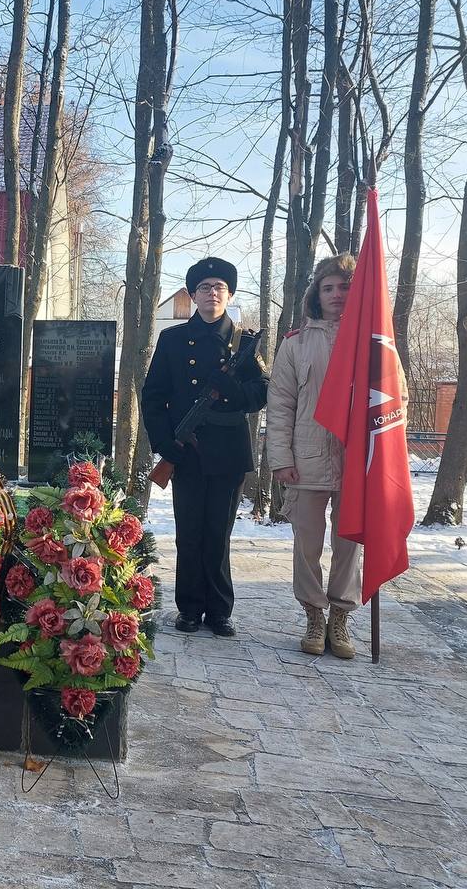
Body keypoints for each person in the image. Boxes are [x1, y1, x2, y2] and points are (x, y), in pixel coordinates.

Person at [141, 257, 269, 637]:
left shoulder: (244, 343)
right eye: (204, 287)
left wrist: (235, 391)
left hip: (228, 451)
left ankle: (218, 610)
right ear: (193, 295)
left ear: (229, 295)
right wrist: (166, 443)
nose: (212, 293)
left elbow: (263, 391)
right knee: (190, 532)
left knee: (218, 533)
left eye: (219, 287)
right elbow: (153, 396)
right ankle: (189, 607)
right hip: (186, 451)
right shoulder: (172, 339)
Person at [266, 254, 363, 659]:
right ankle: (314, 616)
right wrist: (281, 458)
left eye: (345, 287)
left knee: (349, 543)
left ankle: (340, 617)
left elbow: (396, 399)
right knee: (307, 544)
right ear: (316, 295)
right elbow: (280, 405)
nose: (337, 294)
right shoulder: (296, 344)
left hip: (356, 460)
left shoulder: (373, 342)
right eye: (328, 288)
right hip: (306, 459)